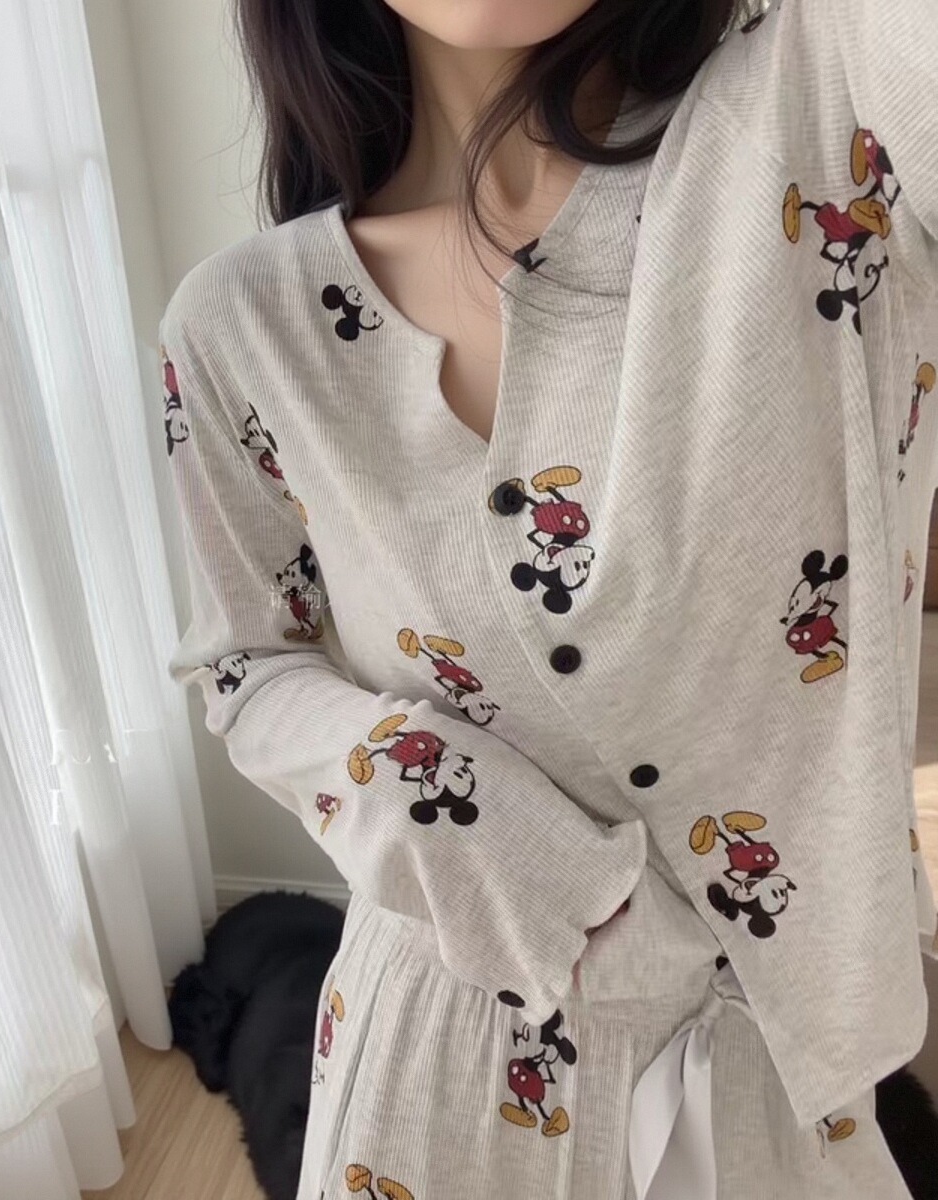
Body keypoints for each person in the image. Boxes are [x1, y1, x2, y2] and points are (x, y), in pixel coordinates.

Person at [157, 0, 938, 1196]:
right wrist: (431, 795)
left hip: (775, 1082)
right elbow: (243, 662)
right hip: (430, 1066)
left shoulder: (820, 110)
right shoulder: (239, 325)